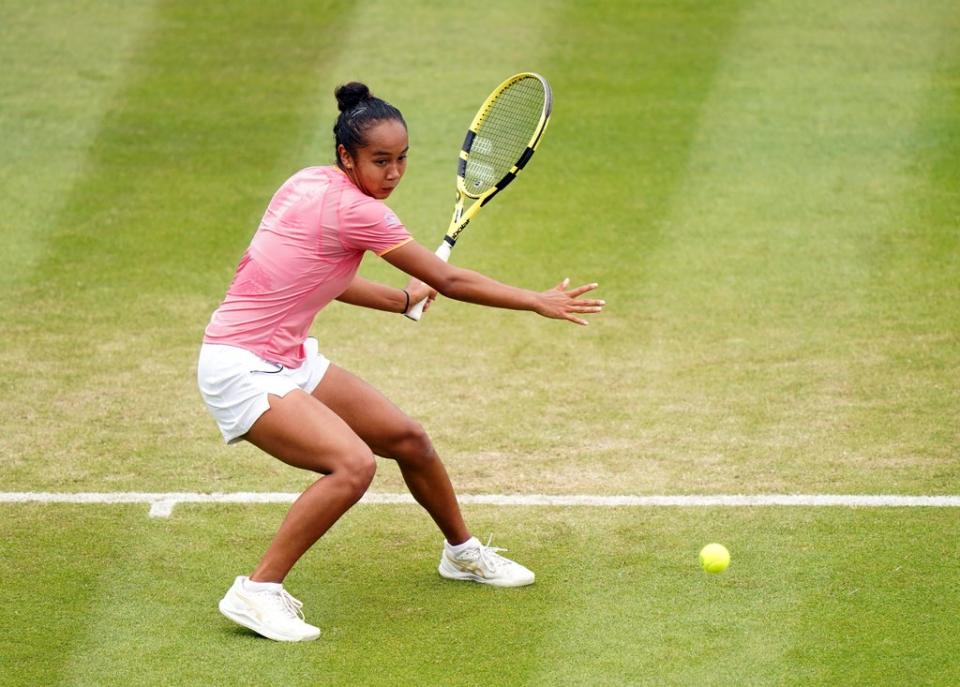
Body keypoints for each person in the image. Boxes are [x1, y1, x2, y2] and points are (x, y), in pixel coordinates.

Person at [197, 82, 604, 642]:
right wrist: (536, 300)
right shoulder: (360, 213)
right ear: (347, 156)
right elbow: (451, 280)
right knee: (353, 465)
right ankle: (258, 590)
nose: (393, 173)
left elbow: (322, 277)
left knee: (408, 439)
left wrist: (400, 300)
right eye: (380, 161)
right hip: (240, 366)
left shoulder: (304, 184)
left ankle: (461, 554)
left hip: (286, 356)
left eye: (402, 158)